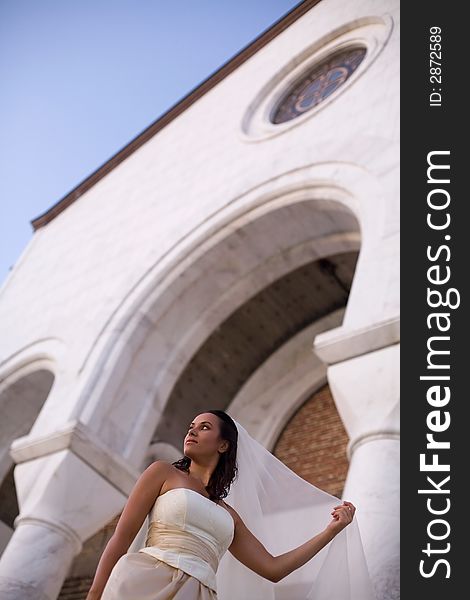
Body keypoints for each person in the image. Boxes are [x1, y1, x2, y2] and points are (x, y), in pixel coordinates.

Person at [86, 410, 375, 599]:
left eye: (204, 427)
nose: (192, 431)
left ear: (223, 445)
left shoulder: (229, 516)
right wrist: (95, 594)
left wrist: (330, 531)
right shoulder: (162, 473)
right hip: (142, 582)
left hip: (198, 593)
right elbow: (121, 538)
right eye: (191, 427)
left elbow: (273, 568)